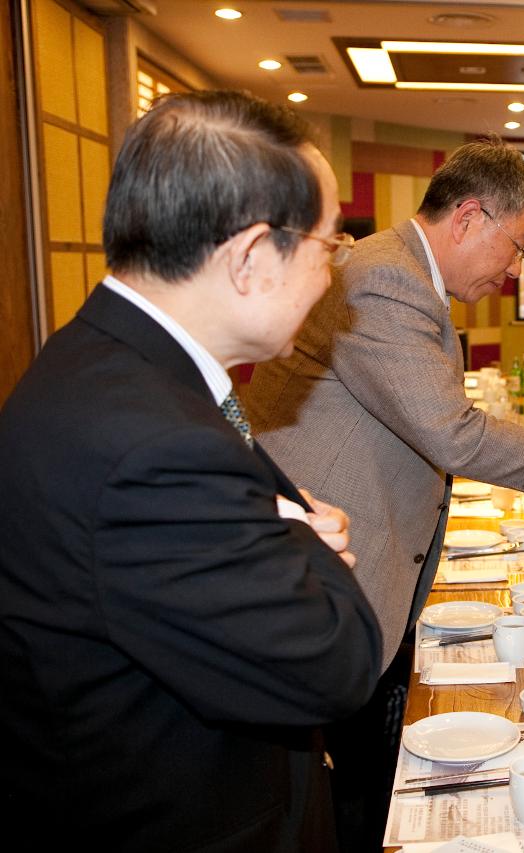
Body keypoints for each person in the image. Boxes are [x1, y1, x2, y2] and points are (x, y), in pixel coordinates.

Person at [241, 139, 524, 849]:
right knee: (342, 788)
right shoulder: (387, 279)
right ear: (469, 217)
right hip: (329, 571)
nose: (518, 268)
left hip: (353, 561)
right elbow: (452, 435)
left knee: (367, 772)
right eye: (519, 246)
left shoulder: (406, 274)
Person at [0, 90, 383, 852]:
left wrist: (271, 526)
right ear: (249, 256)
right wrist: (304, 541)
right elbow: (337, 665)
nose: (329, 277)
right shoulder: (155, 447)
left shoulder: (107, 362)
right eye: (327, 246)